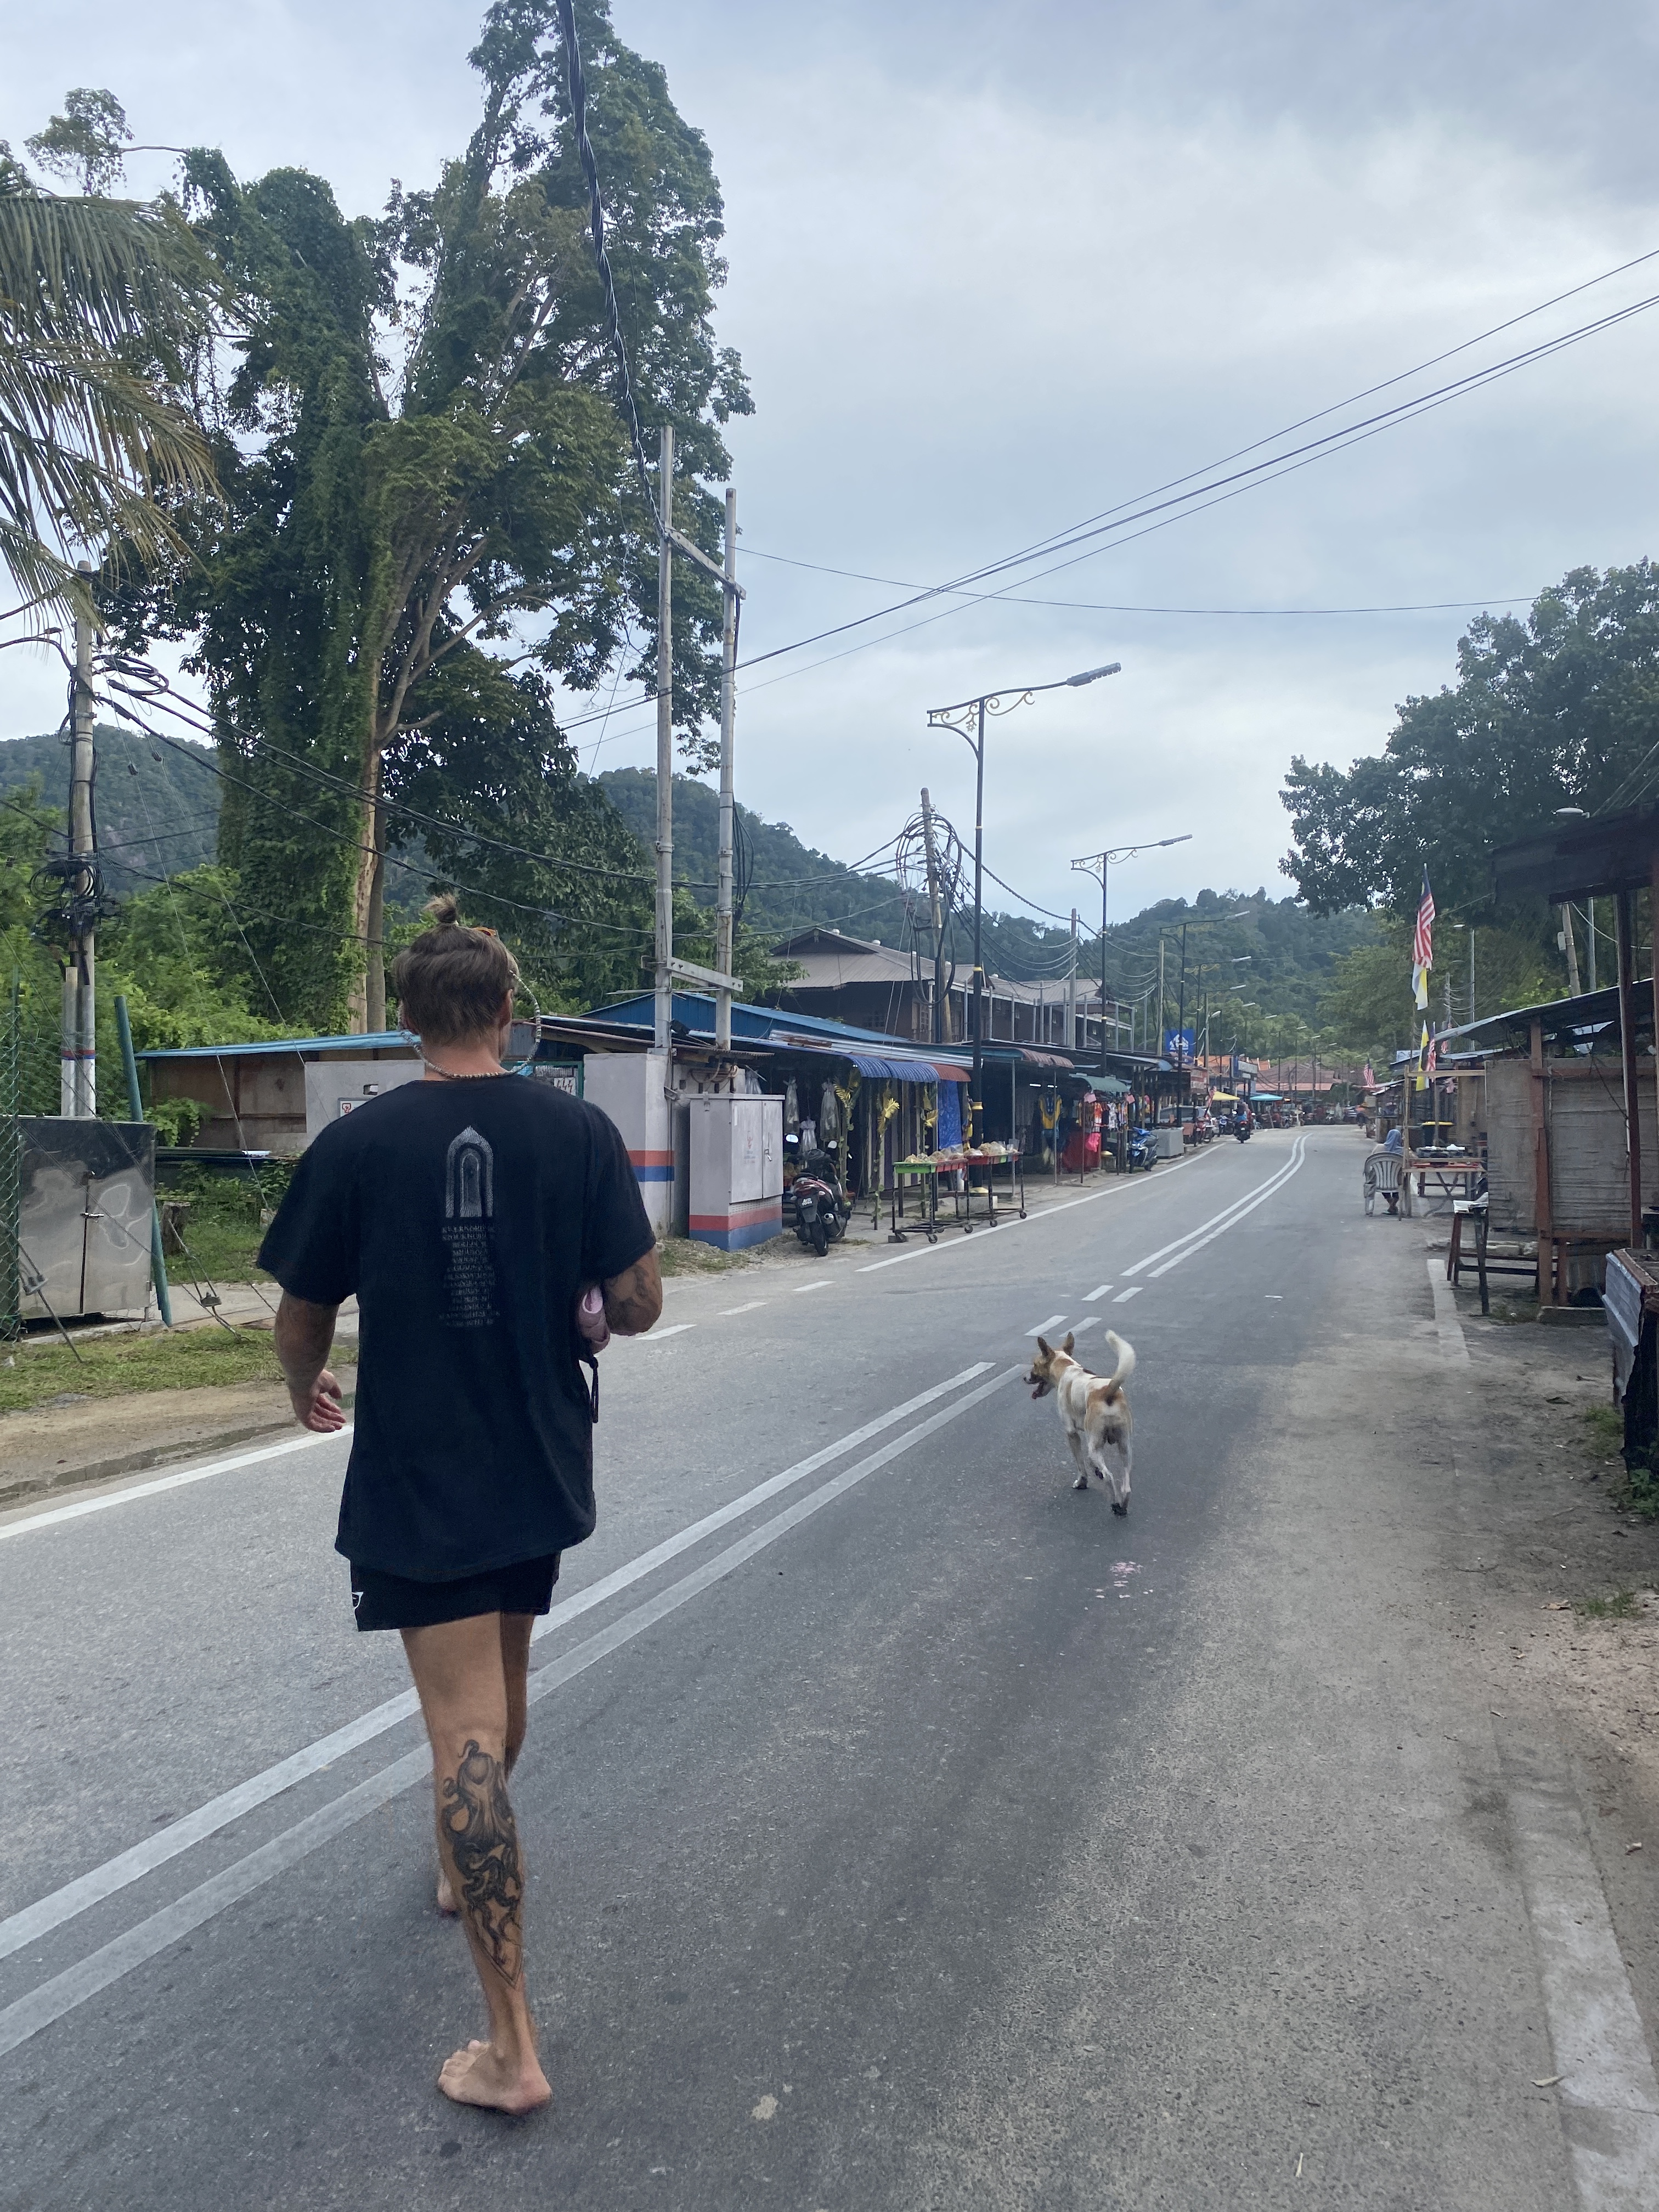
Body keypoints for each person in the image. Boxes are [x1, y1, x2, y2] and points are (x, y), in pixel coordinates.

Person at [259, 896, 662, 2115]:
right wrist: (590, 1300)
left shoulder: (358, 1144)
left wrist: (301, 1384)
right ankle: (457, 1859)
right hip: (540, 1459)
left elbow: (301, 1312)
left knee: (464, 1741)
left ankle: (511, 2051)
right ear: (505, 1011)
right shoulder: (576, 1131)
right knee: (503, 1693)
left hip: (422, 1475)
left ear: (408, 1020)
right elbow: (639, 1302)